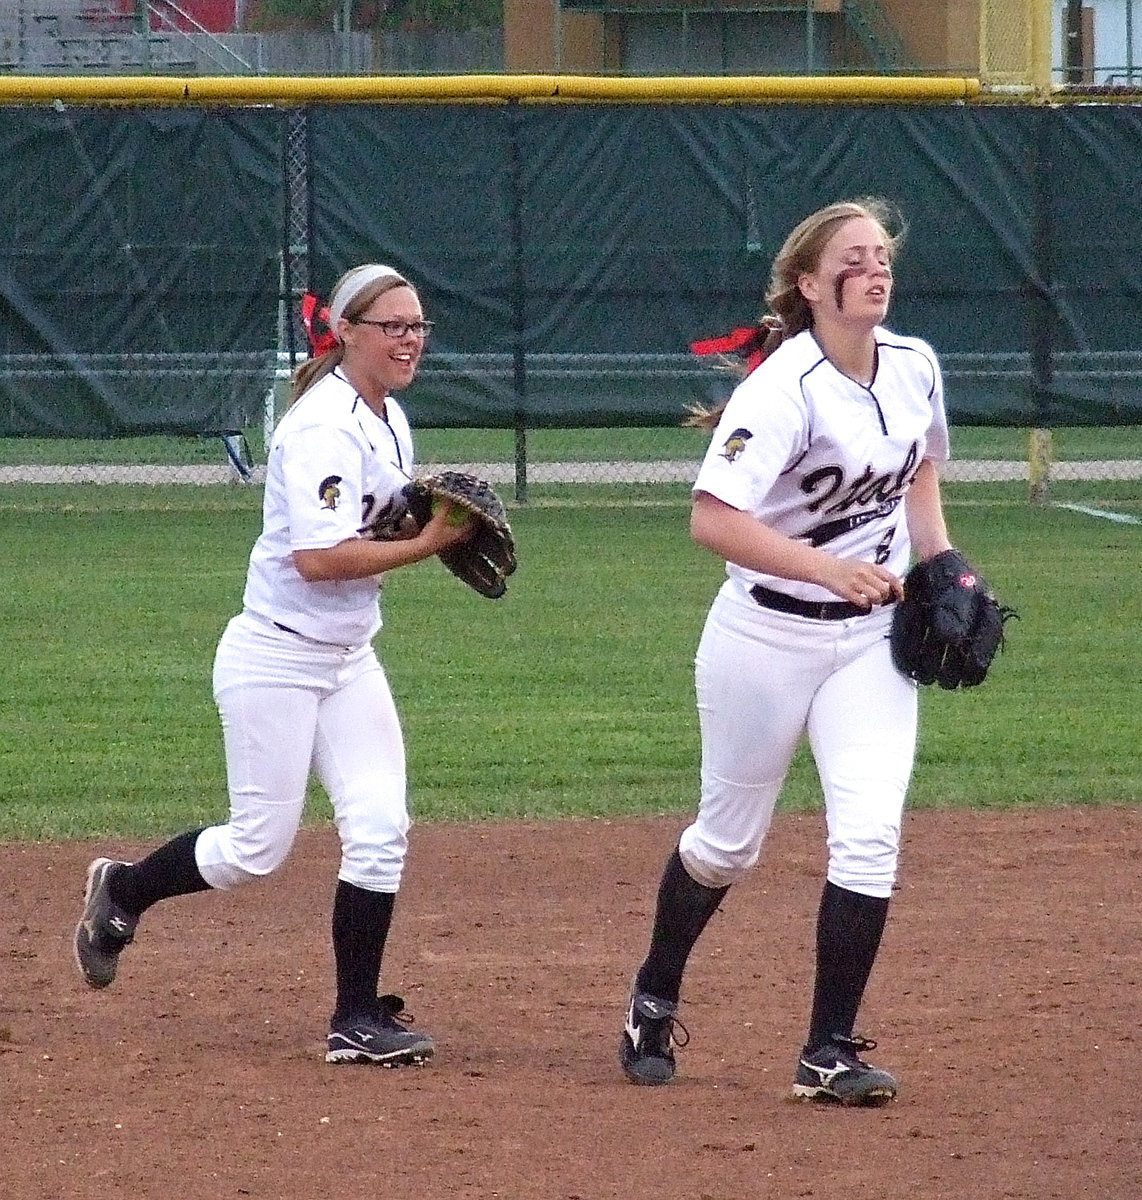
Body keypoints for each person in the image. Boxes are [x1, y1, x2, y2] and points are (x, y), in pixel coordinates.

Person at [75, 263, 476, 1066]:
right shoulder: (322, 426)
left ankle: (354, 1018)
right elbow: (320, 558)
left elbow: (375, 523)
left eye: (419, 325)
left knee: (379, 829)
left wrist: (422, 517)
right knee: (257, 847)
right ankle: (123, 890)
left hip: (348, 657)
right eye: (393, 325)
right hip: (276, 660)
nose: (410, 340)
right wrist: (430, 543)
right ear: (348, 332)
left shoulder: (389, 417)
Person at [620, 199, 954, 1106]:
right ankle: (654, 992)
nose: (875, 270)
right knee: (726, 847)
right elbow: (710, 518)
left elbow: (920, 472)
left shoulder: (916, 365)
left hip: (868, 649)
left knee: (871, 836)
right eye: (854, 259)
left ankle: (826, 1050)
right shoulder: (784, 389)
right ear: (810, 286)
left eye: (883, 255)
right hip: (762, 640)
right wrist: (826, 568)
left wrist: (945, 561)